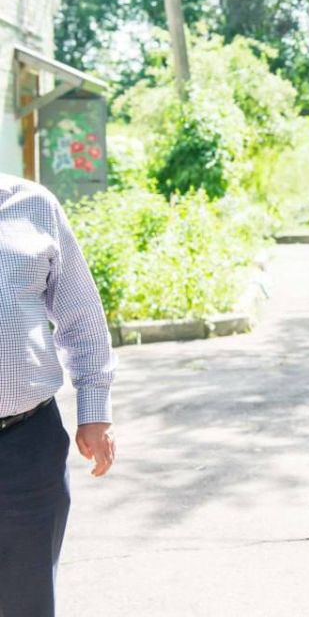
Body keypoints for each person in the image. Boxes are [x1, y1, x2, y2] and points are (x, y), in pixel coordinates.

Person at [1, 173, 117, 617]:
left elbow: (81, 315)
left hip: (25, 446)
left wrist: (94, 411)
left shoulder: (33, 204)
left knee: (26, 601)